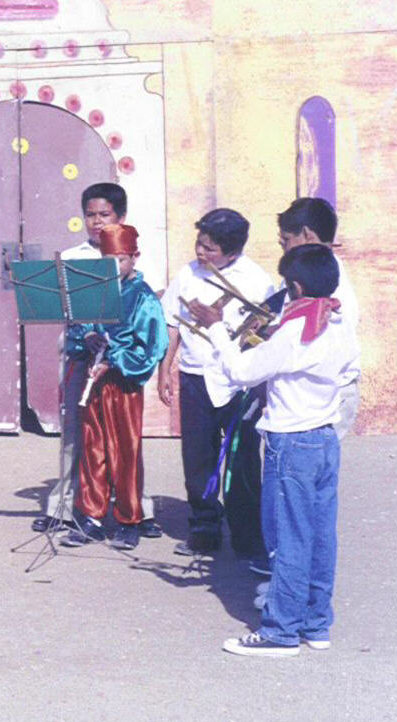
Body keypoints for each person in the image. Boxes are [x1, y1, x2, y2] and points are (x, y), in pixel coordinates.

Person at [188, 245, 359, 656]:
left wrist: (214, 327)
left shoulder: (297, 330)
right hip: (323, 438)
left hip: (292, 443)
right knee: (319, 536)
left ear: (296, 286)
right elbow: (348, 371)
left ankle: (280, 629)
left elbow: (242, 371)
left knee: (287, 538)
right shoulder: (337, 325)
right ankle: (316, 623)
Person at [33, 182, 161, 538]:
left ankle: (137, 508)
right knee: (77, 432)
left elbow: (145, 303)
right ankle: (65, 505)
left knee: (125, 438)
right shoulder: (75, 257)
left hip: (119, 358)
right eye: (90, 214)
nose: (96, 222)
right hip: (80, 352)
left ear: (120, 216)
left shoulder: (130, 249)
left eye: (104, 215)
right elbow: (60, 306)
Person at [159, 208, 274, 562]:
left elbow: (265, 333)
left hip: (238, 383)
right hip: (194, 377)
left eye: (210, 249)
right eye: (199, 244)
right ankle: (204, 524)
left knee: (241, 460)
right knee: (197, 455)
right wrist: (166, 369)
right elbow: (172, 325)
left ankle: (246, 533)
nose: (200, 253)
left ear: (233, 252)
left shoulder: (256, 280)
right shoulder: (187, 274)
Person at [61, 224, 168, 550]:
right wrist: (87, 340)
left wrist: (116, 357)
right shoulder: (96, 290)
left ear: (134, 258)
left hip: (123, 384)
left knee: (125, 451)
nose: (115, 267)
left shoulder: (143, 296)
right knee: (92, 448)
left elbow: (153, 346)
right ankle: (91, 516)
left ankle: (129, 518)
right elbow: (79, 330)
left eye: (121, 260)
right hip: (95, 380)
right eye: (108, 260)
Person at [276, 198, 360, 438]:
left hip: (324, 396)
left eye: (286, 242)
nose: (283, 249)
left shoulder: (331, 287)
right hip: (305, 395)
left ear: (307, 235)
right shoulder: (299, 273)